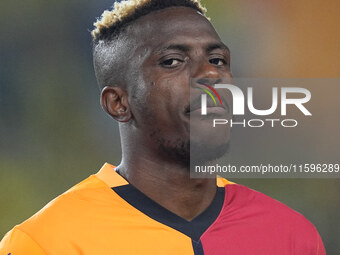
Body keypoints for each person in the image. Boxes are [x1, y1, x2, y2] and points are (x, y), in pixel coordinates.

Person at [0, 0, 326, 254]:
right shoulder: (46, 243)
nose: (211, 77)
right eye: (172, 61)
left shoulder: (292, 234)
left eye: (217, 60)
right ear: (118, 103)